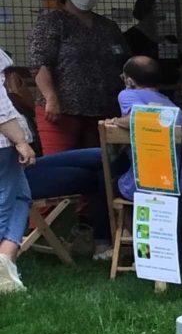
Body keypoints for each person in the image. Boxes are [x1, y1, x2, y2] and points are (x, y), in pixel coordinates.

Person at [2, 58, 112, 265]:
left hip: (29, 167)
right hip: (18, 177)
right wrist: (20, 142)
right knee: (98, 170)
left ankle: (103, 241)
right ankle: (103, 242)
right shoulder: (4, 108)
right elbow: (5, 120)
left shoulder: (10, 100)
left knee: (101, 156)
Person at [30, 0, 127, 159]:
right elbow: (40, 62)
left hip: (103, 110)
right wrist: (51, 97)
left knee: (100, 168)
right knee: (60, 165)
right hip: (62, 110)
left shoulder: (108, 26)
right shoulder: (52, 21)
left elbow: (123, 60)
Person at [113, 56, 179, 200]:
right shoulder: (168, 102)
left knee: (101, 179)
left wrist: (116, 121)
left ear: (129, 81)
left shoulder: (128, 94)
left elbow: (138, 118)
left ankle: (108, 223)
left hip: (145, 186)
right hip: (178, 184)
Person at [0, 48, 38, 293]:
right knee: (7, 200)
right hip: (3, 144)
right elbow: (1, 108)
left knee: (21, 196)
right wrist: (21, 141)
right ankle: (3, 264)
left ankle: (6, 259)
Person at [123, 0, 182, 86]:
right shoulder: (130, 37)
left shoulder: (169, 36)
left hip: (171, 89)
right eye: (158, 8)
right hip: (145, 90)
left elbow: (178, 62)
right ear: (147, 10)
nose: (164, 12)